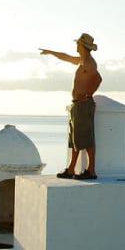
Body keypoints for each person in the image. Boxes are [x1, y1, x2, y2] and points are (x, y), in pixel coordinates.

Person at [40, 33, 103, 180]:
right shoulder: (82, 60)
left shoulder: (89, 62)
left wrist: (88, 94)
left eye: (78, 44)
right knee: (75, 139)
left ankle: (91, 171)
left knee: (86, 139)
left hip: (83, 105)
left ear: (83, 46)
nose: (76, 46)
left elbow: (98, 78)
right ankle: (71, 169)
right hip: (78, 105)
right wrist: (50, 52)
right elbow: (66, 57)